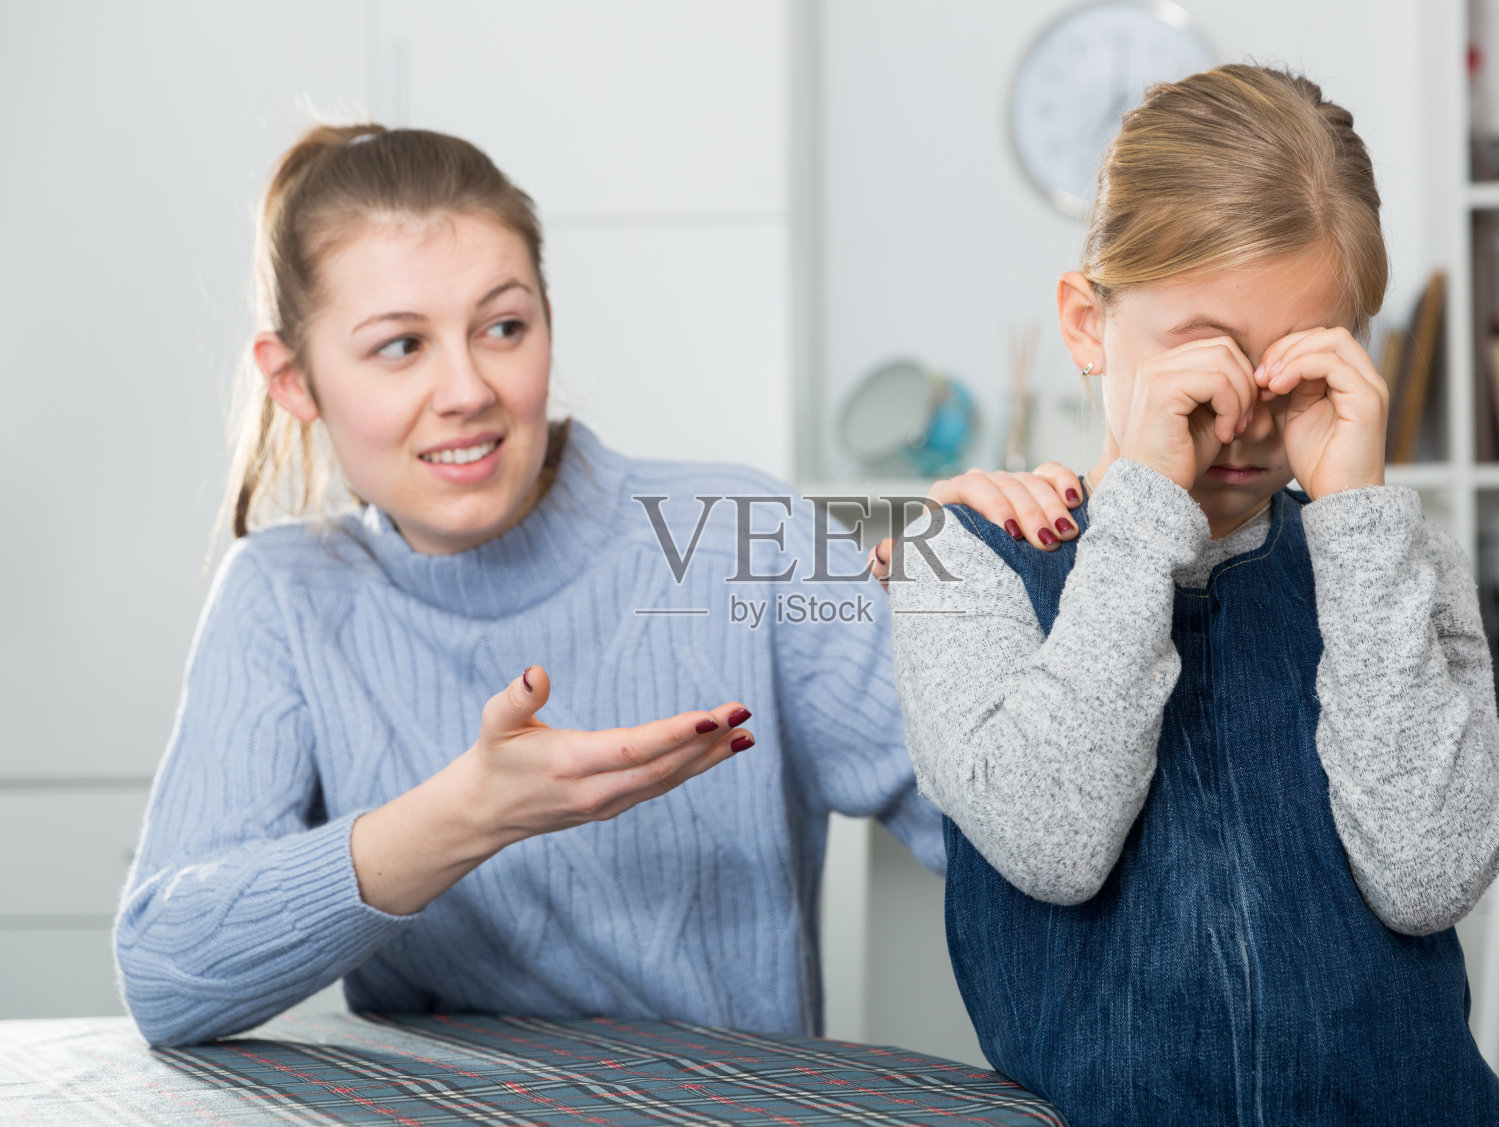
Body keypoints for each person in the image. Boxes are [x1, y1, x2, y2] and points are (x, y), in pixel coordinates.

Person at [114, 123, 1082, 1048]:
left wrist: (989, 608)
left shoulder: (746, 541)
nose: (467, 388)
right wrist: (468, 811)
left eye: (503, 326)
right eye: (401, 345)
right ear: (292, 380)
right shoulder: (284, 597)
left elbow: (1034, 832)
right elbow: (165, 973)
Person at [889, 65, 1499, 1126]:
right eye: (1205, 354)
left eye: (1300, 365)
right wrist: (1136, 512)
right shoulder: (960, 557)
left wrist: (1358, 519)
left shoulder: (1401, 568)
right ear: (1087, 326)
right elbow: (1053, 839)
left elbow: (1428, 874)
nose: (1243, 416)